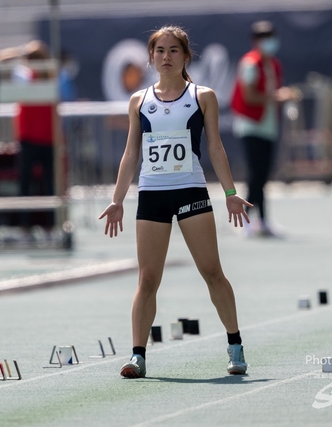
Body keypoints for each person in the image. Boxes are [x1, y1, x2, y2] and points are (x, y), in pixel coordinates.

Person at [99, 26, 252, 378]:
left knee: (211, 271)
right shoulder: (139, 101)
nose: (166, 56)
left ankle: (235, 345)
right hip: (152, 195)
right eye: (160, 51)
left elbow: (216, 147)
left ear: (185, 56)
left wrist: (230, 194)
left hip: (190, 192)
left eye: (173, 50)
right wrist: (117, 200)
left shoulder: (202, 96)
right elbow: (131, 154)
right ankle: (138, 355)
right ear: (151, 58)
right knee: (148, 279)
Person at [231, 21, 296, 237]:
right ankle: (249, 220)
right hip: (251, 126)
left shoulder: (274, 64)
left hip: (268, 127)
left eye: (271, 37)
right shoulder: (250, 63)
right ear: (255, 41)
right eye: (264, 38)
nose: (269, 42)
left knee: (263, 176)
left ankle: (262, 220)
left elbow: (272, 92)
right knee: (256, 175)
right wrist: (277, 96)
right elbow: (249, 96)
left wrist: (282, 95)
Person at [0, 40, 56, 198]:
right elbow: (0, 58)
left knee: (33, 184)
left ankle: (37, 213)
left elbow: (0, 58)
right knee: (40, 184)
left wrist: (22, 53)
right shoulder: (40, 77)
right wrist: (25, 52)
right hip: (39, 139)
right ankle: (38, 214)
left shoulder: (33, 78)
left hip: (38, 139)